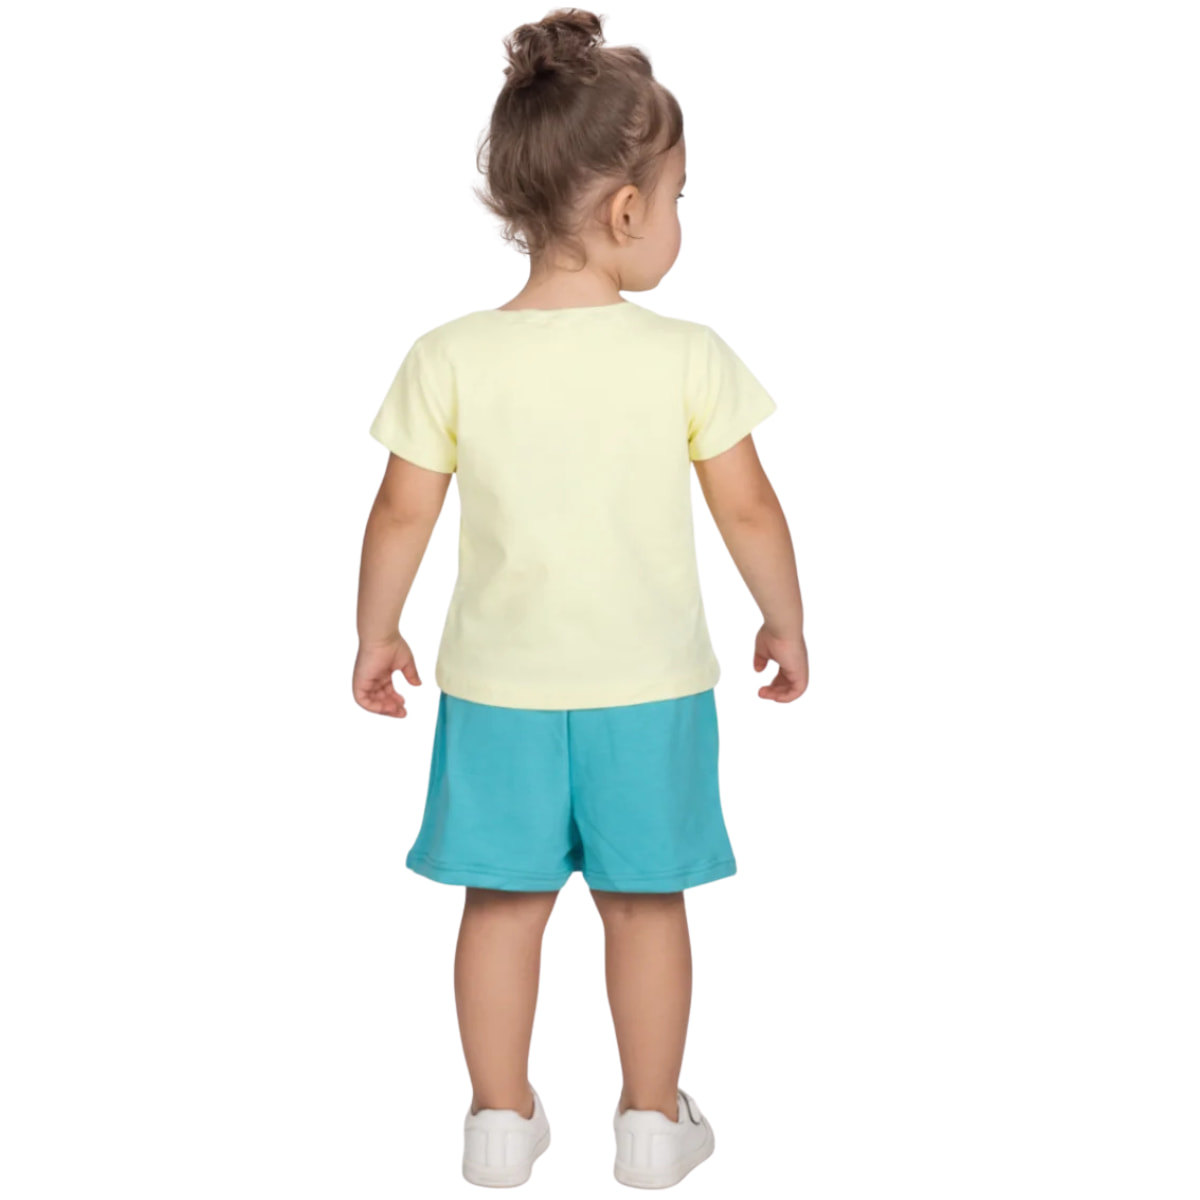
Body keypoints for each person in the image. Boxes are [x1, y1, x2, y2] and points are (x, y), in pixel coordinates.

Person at [352, 7, 808, 1189]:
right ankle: (651, 1124)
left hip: (497, 693)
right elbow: (750, 510)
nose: (680, 218)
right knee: (646, 906)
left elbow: (400, 513)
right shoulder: (687, 355)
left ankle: (498, 1123)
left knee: (501, 906)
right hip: (649, 690)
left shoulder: (450, 355)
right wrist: (784, 618)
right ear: (628, 212)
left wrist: (376, 632)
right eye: (681, 196)